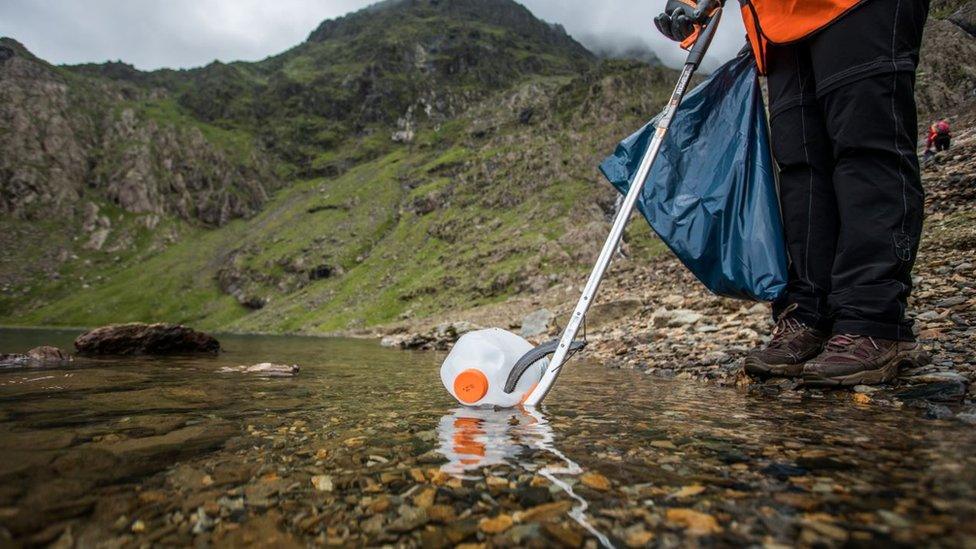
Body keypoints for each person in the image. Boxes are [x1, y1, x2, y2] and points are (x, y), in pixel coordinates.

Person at [655, 0, 929, 386]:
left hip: (856, 7)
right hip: (777, 22)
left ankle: (872, 318)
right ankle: (809, 314)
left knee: (864, 148)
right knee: (801, 168)